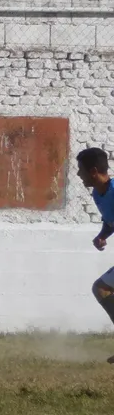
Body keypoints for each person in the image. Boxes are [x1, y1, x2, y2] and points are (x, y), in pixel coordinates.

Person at [75, 147, 114, 364]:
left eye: (81, 170)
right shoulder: (98, 193)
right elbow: (110, 220)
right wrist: (102, 235)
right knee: (101, 288)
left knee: (101, 288)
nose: (79, 175)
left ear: (93, 171)